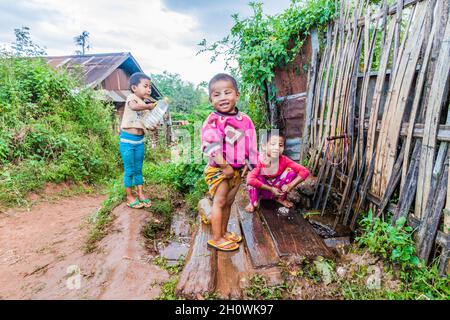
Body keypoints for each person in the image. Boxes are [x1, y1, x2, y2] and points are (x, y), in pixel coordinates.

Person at [201, 73, 257, 252]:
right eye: (217, 95)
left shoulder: (245, 120)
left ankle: (224, 232)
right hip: (220, 170)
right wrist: (225, 166)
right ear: (211, 100)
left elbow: (251, 141)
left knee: (229, 201)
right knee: (219, 201)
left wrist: (250, 161)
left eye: (227, 92)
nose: (223, 97)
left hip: (238, 170)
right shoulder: (214, 120)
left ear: (237, 95)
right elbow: (209, 146)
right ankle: (216, 238)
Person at [245, 131, 310, 213]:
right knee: (255, 176)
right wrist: (271, 188)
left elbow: (305, 171)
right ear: (264, 146)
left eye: (280, 145)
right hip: (263, 190)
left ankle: (280, 198)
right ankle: (253, 201)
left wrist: (290, 185)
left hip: (276, 190)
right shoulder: (258, 160)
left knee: (291, 171)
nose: (276, 148)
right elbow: (250, 180)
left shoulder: (284, 160)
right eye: (272, 144)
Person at [120, 72, 156, 209]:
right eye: (145, 86)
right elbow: (134, 107)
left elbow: (149, 125)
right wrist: (149, 106)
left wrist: (153, 125)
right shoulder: (132, 98)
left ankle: (140, 194)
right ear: (134, 88)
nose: (149, 89)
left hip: (139, 142)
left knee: (138, 169)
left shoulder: (145, 106)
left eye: (150, 87)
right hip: (127, 142)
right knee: (129, 170)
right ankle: (129, 196)